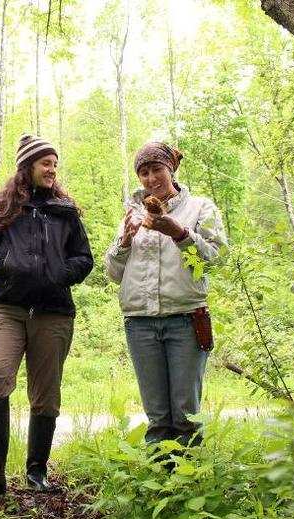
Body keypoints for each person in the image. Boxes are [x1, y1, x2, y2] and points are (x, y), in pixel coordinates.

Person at [0, 134, 93, 498]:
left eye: (55, 163)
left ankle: (37, 472)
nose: (52, 169)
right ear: (27, 167)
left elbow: (84, 259)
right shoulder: (0, 209)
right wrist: (4, 264)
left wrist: (58, 273)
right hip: (7, 307)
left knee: (46, 394)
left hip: (54, 313)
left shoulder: (65, 211)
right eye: (45, 163)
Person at [104, 142, 227, 451]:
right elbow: (113, 272)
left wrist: (180, 234)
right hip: (140, 322)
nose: (150, 178)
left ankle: (188, 483)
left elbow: (215, 259)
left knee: (186, 412)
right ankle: (161, 480)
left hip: (186, 319)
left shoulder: (200, 208)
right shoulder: (132, 214)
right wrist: (124, 242)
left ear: (171, 170)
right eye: (143, 172)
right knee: (157, 415)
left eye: (156, 169)